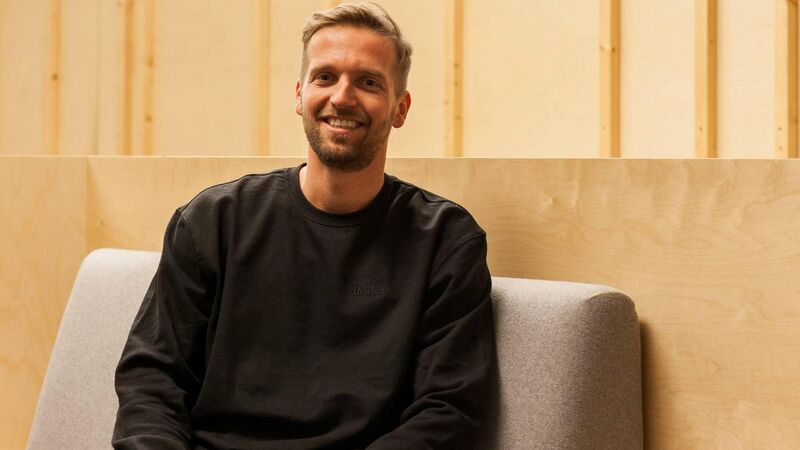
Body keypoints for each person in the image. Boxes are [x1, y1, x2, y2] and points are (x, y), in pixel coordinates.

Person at [112, 3, 496, 449]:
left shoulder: (445, 241)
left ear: (400, 107)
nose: (342, 97)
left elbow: (450, 409)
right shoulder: (212, 221)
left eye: (368, 82)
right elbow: (152, 380)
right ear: (299, 95)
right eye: (325, 77)